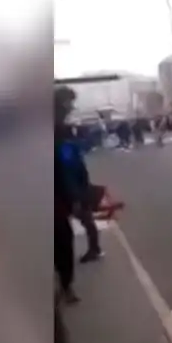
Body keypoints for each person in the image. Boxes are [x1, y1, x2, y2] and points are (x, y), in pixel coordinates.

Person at [54, 87, 82, 304]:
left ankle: (65, 284)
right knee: (62, 241)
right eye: (70, 102)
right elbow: (66, 164)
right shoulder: (57, 129)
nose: (72, 107)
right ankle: (65, 285)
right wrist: (75, 196)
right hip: (55, 196)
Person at [60, 127, 104, 264]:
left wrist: (75, 197)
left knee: (86, 221)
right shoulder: (70, 147)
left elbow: (69, 174)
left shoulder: (65, 149)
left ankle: (94, 249)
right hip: (78, 189)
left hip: (74, 192)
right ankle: (95, 249)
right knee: (87, 221)